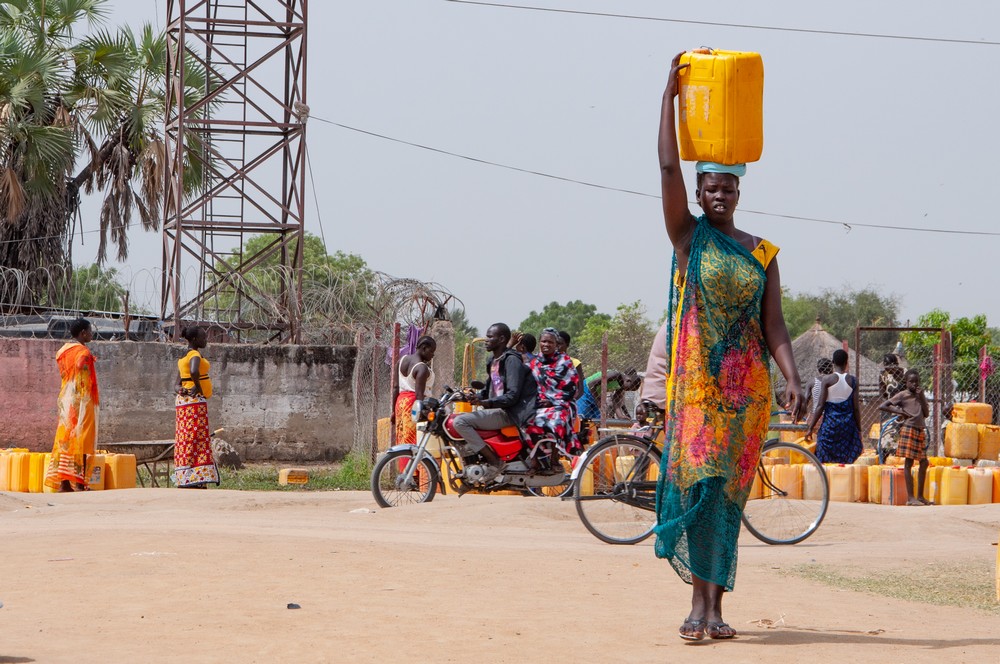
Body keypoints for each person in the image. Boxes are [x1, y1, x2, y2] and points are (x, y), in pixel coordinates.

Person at [655, 52, 804, 642]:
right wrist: (667, 99)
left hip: (746, 396)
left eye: (728, 188)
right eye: (710, 188)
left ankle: (715, 607)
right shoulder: (687, 238)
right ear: (699, 191)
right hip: (697, 392)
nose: (719, 196)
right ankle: (699, 602)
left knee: (728, 497)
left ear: (739, 190)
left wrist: (791, 377)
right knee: (700, 488)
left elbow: (776, 327)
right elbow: (667, 168)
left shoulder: (762, 252)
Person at [454, 323, 537, 482]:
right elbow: (490, 388)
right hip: (497, 409)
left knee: (460, 422)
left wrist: (486, 403)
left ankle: (494, 461)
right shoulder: (494, 361)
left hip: (508, 412)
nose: (486, 340)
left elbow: (512, 395)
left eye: (490, 337)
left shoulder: (512, 361)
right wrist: (473, 397)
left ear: (501, 339)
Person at [45, 318, 100, 493]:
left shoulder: (62, 351)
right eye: (90, 331)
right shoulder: (82, 352)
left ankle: (65, 484)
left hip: (65, 398)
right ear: (83, 333)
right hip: (81, 400)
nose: (91, 334)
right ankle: (81, 483)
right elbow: (80, 369)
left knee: (65, 439)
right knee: (82, 439)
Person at [174, 326, 220, 488]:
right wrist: (199, 387)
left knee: (186, 438)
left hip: (183, 402)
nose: (206, 340)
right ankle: (196, 479)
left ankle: (185, 476)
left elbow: (176, 384)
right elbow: (194, 372)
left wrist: (181, 389)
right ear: (194, 340)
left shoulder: (183, 358)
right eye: (203, 337)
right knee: (198, 438)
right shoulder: (194, 355)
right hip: (195, 404)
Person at [527, 328, 582, 462]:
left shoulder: (565, 362)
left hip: (562, 403)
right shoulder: (534, 363)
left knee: (556, 420)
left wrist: (552, 400)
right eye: (543, 341)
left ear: (556, 345)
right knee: (525, 421)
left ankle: (554, 458)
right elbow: (530, 387)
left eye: (550, 342)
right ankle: (535, 461)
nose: (546, 344)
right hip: (539, 403)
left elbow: (571, 388)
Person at [878, 369, 930, 506]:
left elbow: (926, 413)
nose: (914, 384)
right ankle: (911, 498)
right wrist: (900, 412)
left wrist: (922, 397)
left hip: (920, 429)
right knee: (909, 463)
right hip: (909, 429)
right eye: (911, 382)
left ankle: (920, 496)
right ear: (906, 382)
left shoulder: (919, 396)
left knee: (924, 462)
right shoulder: (902, 395)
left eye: (916, 382)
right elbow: (883, 406)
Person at [805, 349, 863, 464]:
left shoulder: (827, 379)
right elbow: (856, 408)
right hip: (847, 427)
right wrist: (859, 430)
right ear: (847, 362)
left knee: (824, 459)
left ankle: (826, 480)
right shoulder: (853, 381)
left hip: (830, 427)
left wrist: (810, 428)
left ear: (833, 362)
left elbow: (821, 406)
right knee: (846, 461)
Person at [395, 336, 436, 445]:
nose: (432, 355)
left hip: (400, 403)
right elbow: (419, 395)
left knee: (402, 440)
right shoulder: (421, 368)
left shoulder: (401, 360)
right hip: (414, 406)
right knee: (413, 442)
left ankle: (402, 462)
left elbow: (395, 387)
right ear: (423, 348)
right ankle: (412, 462)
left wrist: (393, 412)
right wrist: (426, 412)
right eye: (431, 351)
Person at [577, 369, 641, 420]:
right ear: (628, 381)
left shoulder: (622, 385)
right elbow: (591, 384)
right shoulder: (615, 375)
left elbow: (616, 400)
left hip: (595, 396)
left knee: (598, 420)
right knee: (582, 417)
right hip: (585, 390)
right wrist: (598, 400)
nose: (627, 390)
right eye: (629, 388)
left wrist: (620, 415)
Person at [556, 330, 586, 400]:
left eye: (560, 344)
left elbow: (581, 389)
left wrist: (571, 402)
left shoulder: (575, 363)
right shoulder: (550, 362)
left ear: (567, 345)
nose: (557, 347)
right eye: (556, 344)